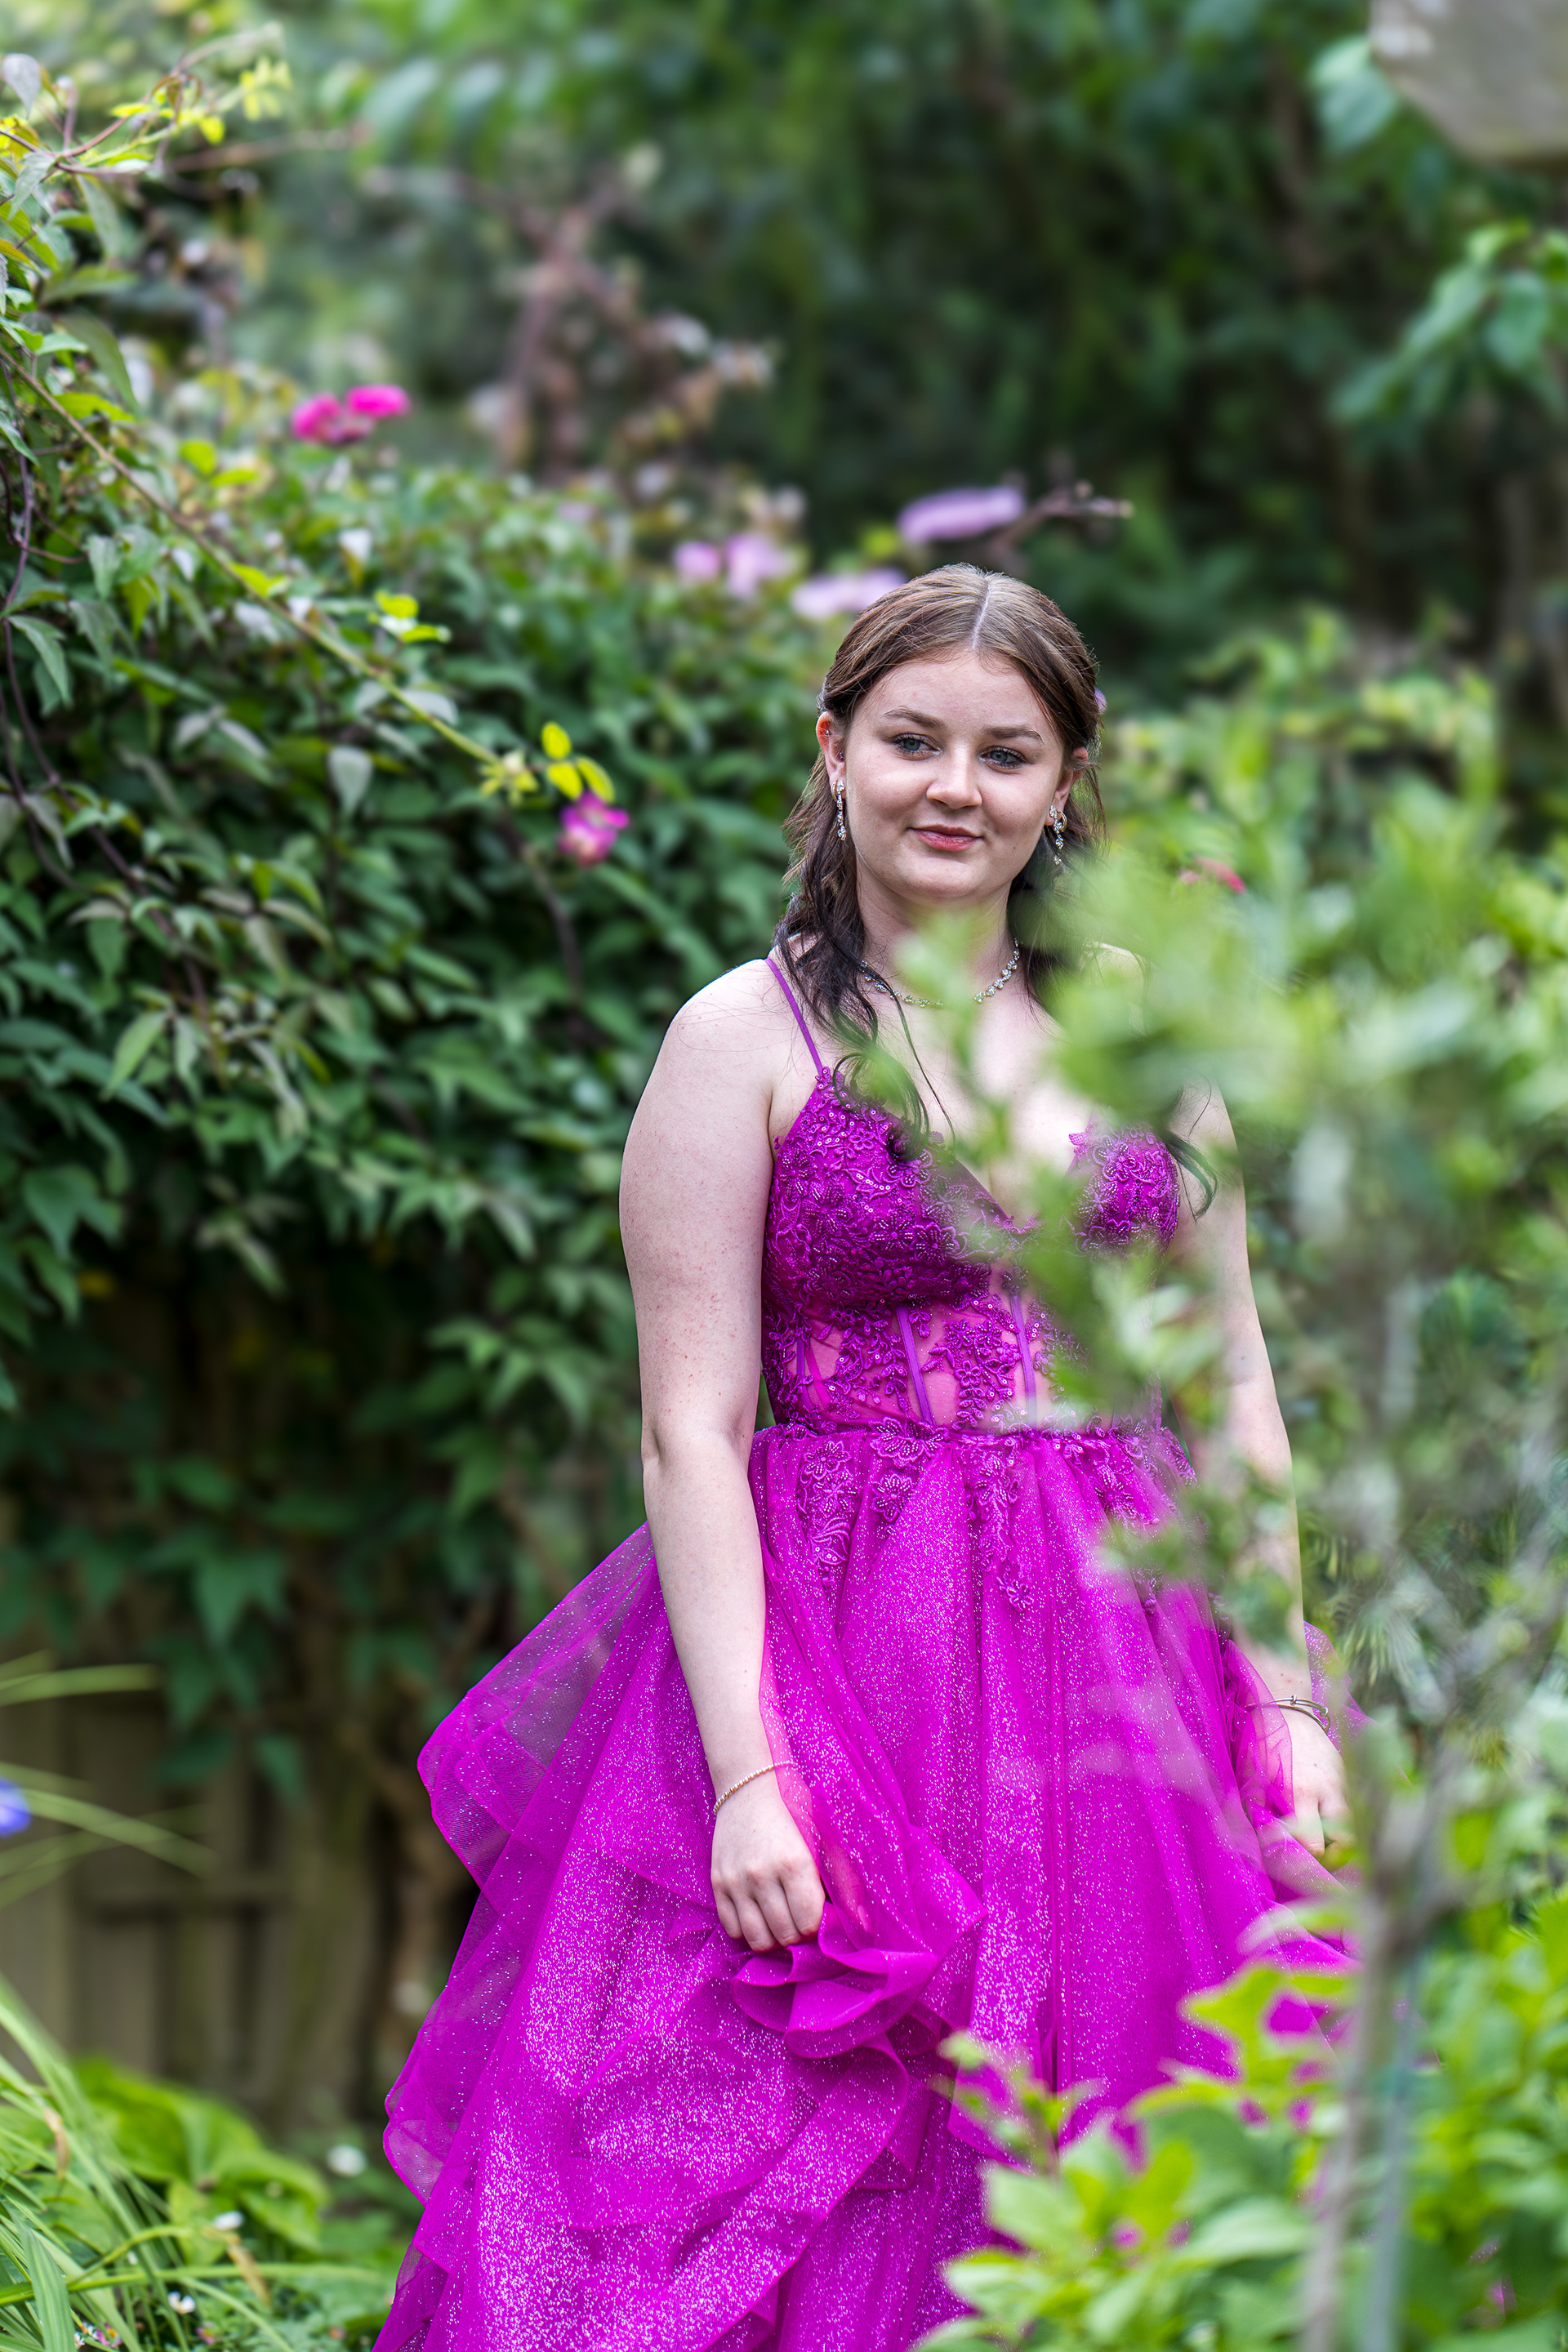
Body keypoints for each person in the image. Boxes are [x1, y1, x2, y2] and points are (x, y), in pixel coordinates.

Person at [375, 567, 1348, 2352]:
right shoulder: (742, 1038)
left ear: (1065, 784)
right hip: (846, 1657)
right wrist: (750, 1775)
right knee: (832, 2134)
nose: (954, 788)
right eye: (912, 741)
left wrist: (1285, 1697)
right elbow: (690, 1429)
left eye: (1007, 752)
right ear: (836, 750)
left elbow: (1232, 1386)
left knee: (1172, 2120)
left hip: (1138, 1651)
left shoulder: (1144, 1028)